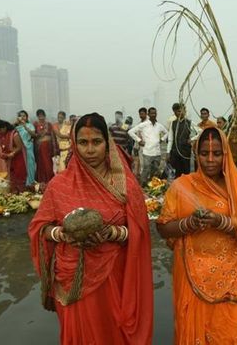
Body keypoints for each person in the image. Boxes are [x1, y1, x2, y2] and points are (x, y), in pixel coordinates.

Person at [28, 113, 153, 344]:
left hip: (114, 278)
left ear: (107, 144)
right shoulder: (60, 184)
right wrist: (62, 234)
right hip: (73, 278)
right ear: (75, 145)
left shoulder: (124, 184)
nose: (90, 149)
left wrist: (112, 234)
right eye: (83, 143)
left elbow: (139, 232)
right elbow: (40, 227)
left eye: (96, 142)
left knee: (113, 332)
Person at [156, 127, 237, 344]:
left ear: (226, 155)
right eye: (204, 154)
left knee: (227, 332)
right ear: (196, 154)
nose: (210, 160)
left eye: (217, 153)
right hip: (189, 276)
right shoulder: (181, 187)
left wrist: (219, 222)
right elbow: (163, 227)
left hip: (230, 280)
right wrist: (189, 224)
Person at [128, 107, 168, 184]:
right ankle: (142, 186)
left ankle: (152, 186)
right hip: (147, 152)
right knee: (146, 170)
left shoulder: (159, 125)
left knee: (155, 170)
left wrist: (162, 139)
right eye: (152, 113)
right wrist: (139, 140)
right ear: (148, 114)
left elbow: (167, 132)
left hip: (157, 152)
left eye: (155, 113)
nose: (153, 115)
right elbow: (130, 132)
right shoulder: (143, 125)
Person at [0, 120, 27, 193]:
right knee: (11, 176)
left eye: (0, 129)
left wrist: (12, 153)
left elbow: (19, 147)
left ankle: (22, 194)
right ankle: (14, 193)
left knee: (19, 175)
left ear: (4, 127)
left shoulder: (14, 134)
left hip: (18, 157)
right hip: (8, 158)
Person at [167, 103, 197, 178]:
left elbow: (201, 131)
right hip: (175, 151)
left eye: (181, 111)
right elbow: (170, 139)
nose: (179, 113)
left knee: (186, 171)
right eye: (177, 111)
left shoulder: (189, 122)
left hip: (185, 151)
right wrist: (168, 152)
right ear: (174, 112)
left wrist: (191, 139)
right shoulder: (173, 123)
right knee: (175, 171)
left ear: (184, 111)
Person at [34, 109, 56, 184]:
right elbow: (33, 135)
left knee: (48, 164)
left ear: (45, 116)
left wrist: (54, 148)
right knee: (41, 164)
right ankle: (41, 181)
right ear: (37, 117)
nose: (41, 117)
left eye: (42, 116)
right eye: (39, 116)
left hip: (48, 148)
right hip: (39, 147)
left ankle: (50, 180)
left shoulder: (49, 124)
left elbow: (53, 136)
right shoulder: (35, 124)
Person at [15, 110, 37, 186]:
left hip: (28, 147)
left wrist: (25, 126)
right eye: (20, 115)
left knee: (30, 164)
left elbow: (34, 135)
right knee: (22, 165)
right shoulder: (16, 127)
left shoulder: (30, 125)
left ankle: (30, 183)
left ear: (27, 117)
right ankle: (22, 183)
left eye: (24, 115)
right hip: (20, 149)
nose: (22, 117)